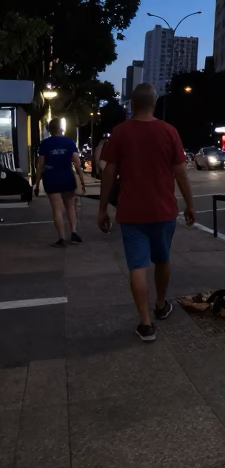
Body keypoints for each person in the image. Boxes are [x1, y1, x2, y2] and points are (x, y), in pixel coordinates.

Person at [98, 84, 197, 343]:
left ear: (132, 105)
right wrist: (190, 204)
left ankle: (145, 324)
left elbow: (109, 172)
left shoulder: (119, 133)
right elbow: (181, 172)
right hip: (164, 210)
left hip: (131, 212)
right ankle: (161, 305)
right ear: (154, 104)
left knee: (137, 266)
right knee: (162, 259)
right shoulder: (169, 132)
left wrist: (102, 208)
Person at [33, 118, 86, 247]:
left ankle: (61, 238)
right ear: (61, 129)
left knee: (57, 209)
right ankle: (73, 232)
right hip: (67, 176)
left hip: (51, 177)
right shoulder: (69, 142)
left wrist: (36, 183)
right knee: (70, 207)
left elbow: (40, 165)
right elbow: (77, 164)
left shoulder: (45, 144)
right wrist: (82, 181)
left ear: (49, 130)